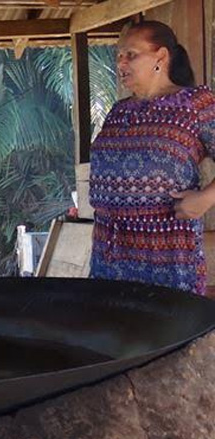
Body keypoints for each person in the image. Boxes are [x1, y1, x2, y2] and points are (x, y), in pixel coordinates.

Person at [89, 20, 215, 295]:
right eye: (119, 56)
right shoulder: (118, 111)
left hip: (166, 258)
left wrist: (206, 199)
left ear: (161, 57)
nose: (121, 63)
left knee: (165, 335)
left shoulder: (195, 104)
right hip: (109, 258)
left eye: (131, 55)